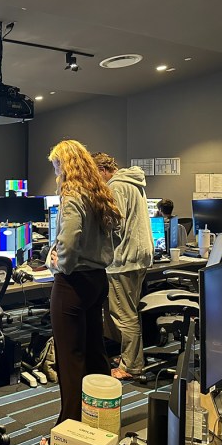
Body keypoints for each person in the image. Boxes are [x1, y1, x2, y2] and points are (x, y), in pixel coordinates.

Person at [43, 141, 122, 436]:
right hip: (97, 279)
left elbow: (71, 237)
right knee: (94, 351)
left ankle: (68, 426)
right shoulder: (99, 193)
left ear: (67, 165)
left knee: (70, 358)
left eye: (56, 166)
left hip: (72, 284)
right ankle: (100, 417)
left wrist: (57, 265)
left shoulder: (73, 194)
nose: (55, 172)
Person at [92, 152, 154, 381]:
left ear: (102, 170)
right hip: (138, 256)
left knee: (123, 314)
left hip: (123, 259)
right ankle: (129, 355)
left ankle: (131, 365)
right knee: (128, 310)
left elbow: (114, 225)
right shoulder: (132, 182)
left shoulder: (116, 187)